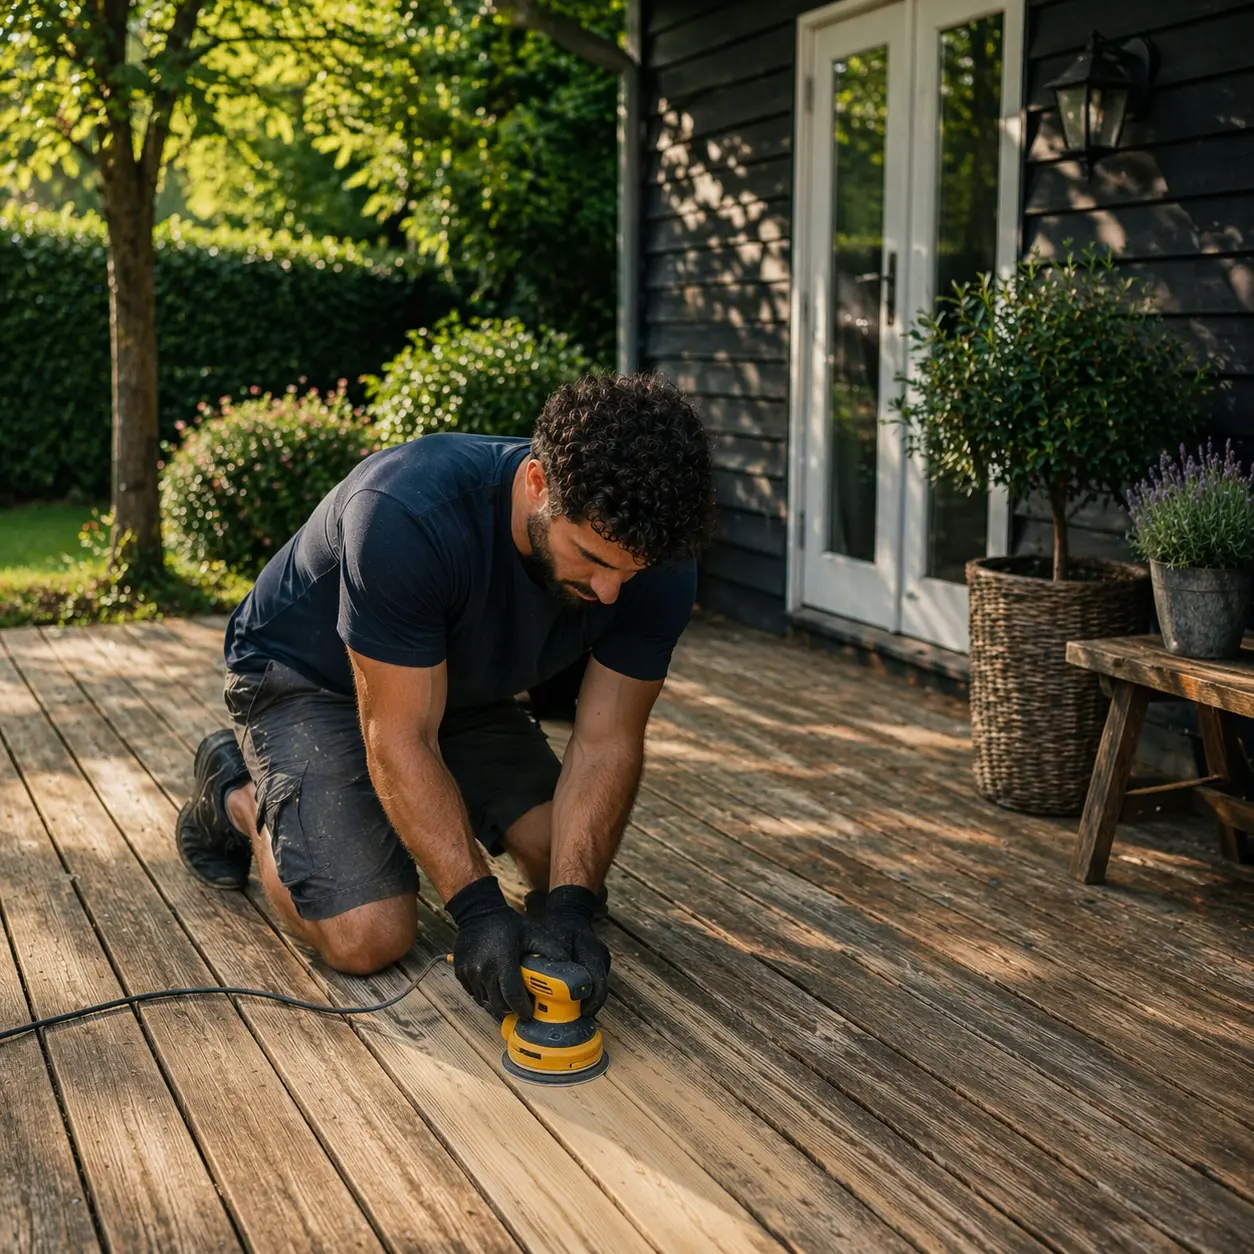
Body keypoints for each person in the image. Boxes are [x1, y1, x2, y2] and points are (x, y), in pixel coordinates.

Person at [175, 373, 716, 1023]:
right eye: (590, 558)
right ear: (538, 484)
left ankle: (356, 816)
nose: (608, 593)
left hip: (460, 686)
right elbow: (399, 735)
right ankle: (234, 794)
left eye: (630, 573)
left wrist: (570, 904)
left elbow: (607, 740)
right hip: (305, 677)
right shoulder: (407, 513)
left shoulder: (653, 558)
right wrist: (478, 909)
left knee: (563, 867)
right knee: (368, 934)